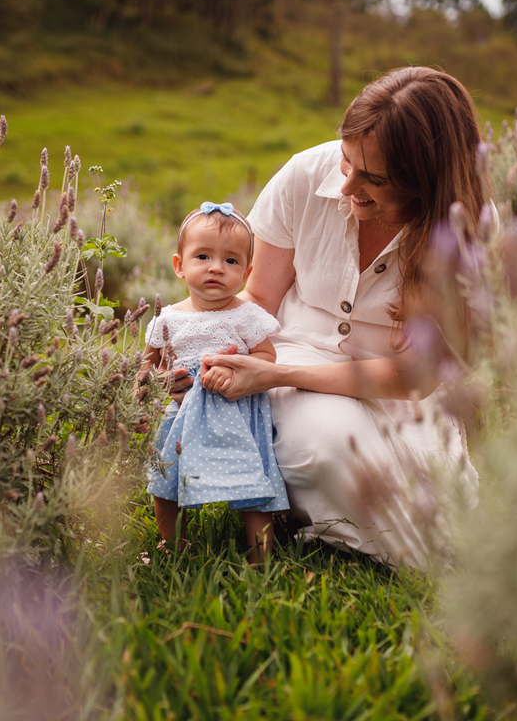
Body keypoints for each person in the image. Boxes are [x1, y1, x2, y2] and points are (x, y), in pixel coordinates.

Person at [175, 67, 484, 568]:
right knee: (320, 447)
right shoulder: (303, 175)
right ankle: (336, 520)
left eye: (375, 180)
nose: (348, 187)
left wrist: (277, 375)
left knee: (440, 509)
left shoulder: (460, 230)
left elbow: (413, 378)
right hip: (291, 351)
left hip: (394, 388)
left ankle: (333, 518)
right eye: (347, 161)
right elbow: (258, 299)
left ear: (424, 183)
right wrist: (208, 356)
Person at [143, 201, 288, 563]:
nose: (216, 268)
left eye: (231, 261)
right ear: (180, 265)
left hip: (237, 410)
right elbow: (145, 368)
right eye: (203, 256)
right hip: (181, 413)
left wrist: (240, 367)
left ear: (247, 273)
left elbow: (267, 358)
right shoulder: (167, 319)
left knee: (253, 488)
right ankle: (172, 544)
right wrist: (159, 380)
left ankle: (260, 557)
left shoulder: (247, 316)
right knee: (167, 483)